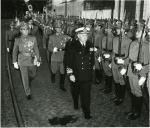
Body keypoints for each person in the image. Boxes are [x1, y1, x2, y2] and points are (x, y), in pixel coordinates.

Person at [65, 27, 94, 119]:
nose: (85, 37)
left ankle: (87, 112)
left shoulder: (90, 45)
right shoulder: (72, 45)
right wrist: (70, 74)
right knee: (75, 91)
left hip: (87, 75)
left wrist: (92, 69)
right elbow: (68, 61)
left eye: (86, 35)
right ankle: (75, 102)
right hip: (76, 75)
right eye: (82, 35)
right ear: (78, 35)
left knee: (86, 95)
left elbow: (92, 59)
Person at [12, 22, 40, 100]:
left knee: (33, 74)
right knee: (24, 78)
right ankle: (28, 92)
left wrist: (38, 59)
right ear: (21, 30)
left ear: (29, 30)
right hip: (22, 61)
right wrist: (14, 62)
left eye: (27, 29)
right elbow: (14, 51)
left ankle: (29, 80)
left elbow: (36, 49)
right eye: (23, 29)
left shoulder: (33, 38)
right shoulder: (17, 40)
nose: (25, 31)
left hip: (31, 60)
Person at [126, 22, 146, 120]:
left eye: (139, 31)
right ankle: (133, 109)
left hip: (139, 71)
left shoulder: (146, 45)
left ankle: (137, 112)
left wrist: (144, 75)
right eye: (136, 31)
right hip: (130, 69)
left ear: (144, 33)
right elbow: (129, 58)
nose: (136, 33)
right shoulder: (133, 43)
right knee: (132, 90)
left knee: (138, 92)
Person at [111, 21, 132, 105]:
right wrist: (112, 62)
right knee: (116, 79)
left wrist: (124, 63)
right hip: (114, 61)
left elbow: (129, 55)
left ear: (124, 30)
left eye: (119, 29)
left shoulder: (129, 41)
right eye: (117, 29)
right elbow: (113, 51)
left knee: (122, 80)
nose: (117, 30)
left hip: (122, 62)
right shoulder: (115, 39)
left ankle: (121, 98)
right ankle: (117, 95)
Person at [48, 20, 71, 91]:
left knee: (63, 72)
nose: (59, 29)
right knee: (54, 70)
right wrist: (53, 49)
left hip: (63, 56)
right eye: (57, 27)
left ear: (62, 28)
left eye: (60, 27)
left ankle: (62, 85)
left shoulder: (66, 37)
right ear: (55, 28)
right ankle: (53, 75)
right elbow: (49, 47)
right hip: (55, 56)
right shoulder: (51, 37)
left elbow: (72, 42)